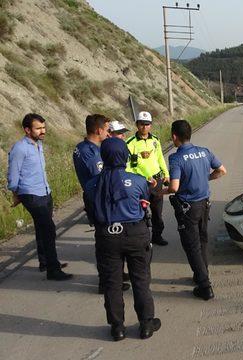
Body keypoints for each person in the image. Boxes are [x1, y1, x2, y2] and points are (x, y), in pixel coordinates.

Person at [85, 137, 160, 341]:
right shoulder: (137, 180)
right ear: (125, 155)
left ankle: (117, 327)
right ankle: (146, 323)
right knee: (141, 279)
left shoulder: (92, 185)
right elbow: (147, 199)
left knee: (112, 283)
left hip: (106, 235)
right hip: (136, 233)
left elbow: (90, 214)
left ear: (103, 156)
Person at [165, 120, 227, 300]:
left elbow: (174, 187)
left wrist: (160, 190)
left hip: (188, 208)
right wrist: (204, 178)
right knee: (202, 239)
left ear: (174, 136)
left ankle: (204, 286)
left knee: (191, 245)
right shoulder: (204, 151)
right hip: (204, 204)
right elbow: (222, 170)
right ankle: (201, 272)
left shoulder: (176, 158)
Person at [7, 113, 72, 280]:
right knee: (49, 230)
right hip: (30, 194)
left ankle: (45, 262)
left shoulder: (38, 144)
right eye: (38, 128)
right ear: (27, 130)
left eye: (44, 127)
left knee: (42, 229)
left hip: (44, 191)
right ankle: (53, 269)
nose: (43, 131)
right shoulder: (20, 148)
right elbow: (13, 175)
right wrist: (16, 194)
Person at [73, 114, 130, 294]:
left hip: (101, 199)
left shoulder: (86, 147)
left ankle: (116, 275)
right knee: (105, 243)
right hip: (98, 202)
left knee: (113, 240)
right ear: (99, 130)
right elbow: (102, 176)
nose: (109, 133)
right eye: (107, 130)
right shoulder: (89, 152)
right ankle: (106, 282)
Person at [126, 111, 169, 246]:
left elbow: (160, 158)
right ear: (137, 125)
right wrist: (145, 177)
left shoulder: (155, 140)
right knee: (140, 213)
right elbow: (130, 166)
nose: (144, 127)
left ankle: (157, 236)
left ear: (151, 125)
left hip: (157, 182)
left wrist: (166, 174)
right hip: (140, 183)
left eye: (147, 124)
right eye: (141, 124)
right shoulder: (130, 143)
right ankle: (142, 239)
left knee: (157, 212)